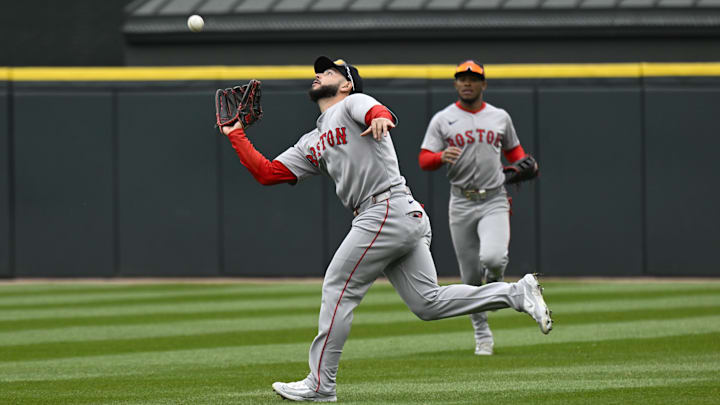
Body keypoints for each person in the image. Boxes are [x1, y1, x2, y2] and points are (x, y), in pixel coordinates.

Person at [221, 56, 552, 402]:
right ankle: (515, 293)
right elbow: (268, 173)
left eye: (329, 72)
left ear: (347, 83)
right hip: (397, 215)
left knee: (338, 286)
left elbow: (376, 110)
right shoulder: (312, 140)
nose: (319, 75)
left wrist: (379, 119)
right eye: (318, 72)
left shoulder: (352, 103)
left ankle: (321, 384)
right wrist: (236, 134)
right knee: (428, 304)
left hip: (385, 208)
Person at [418, 60, 538, 356]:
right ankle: (482, 334)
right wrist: (440, 156)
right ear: (456, 84)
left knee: (494, 258)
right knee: (470, 278)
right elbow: (423, 159)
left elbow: (516, 154)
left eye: (474, 78)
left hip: (494, 197)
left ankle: (496, 286)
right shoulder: (443, 119)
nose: (467, 82)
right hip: (460, 201)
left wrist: (522, 166)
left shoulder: (499, 117)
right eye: (462, 78)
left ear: (484, 84)